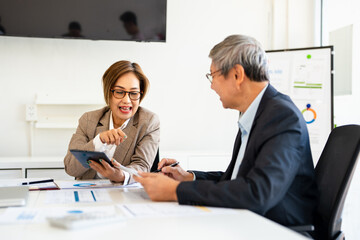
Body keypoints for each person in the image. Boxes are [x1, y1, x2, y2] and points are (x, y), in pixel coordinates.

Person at [134, 34, 318, 227]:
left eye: (212, 76)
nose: (212, 86)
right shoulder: (258, 113)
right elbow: (236, 179)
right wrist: (188, 177)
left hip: (277, 228)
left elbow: (258, 192)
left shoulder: (281, 117)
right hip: (252, 221)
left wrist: (176, 190)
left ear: (237, 75)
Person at [64, 60, 160, 184]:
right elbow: (70, 168)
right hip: (87, 193)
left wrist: (120, 175)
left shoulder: (148, 122)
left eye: (133, 93)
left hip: (122, 194)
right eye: (119, 92)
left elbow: (142, 167)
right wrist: (98, 142)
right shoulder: (88, 120)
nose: (127, 100)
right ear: (108, 93)